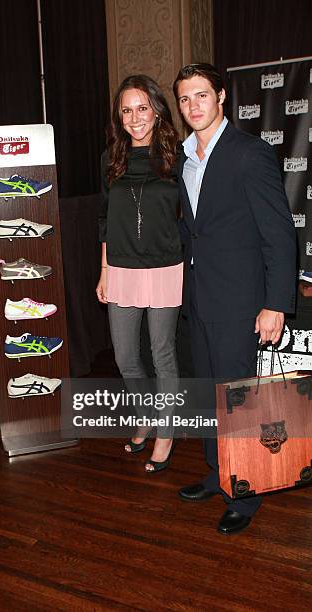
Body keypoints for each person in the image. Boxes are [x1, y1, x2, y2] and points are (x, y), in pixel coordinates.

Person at [173, 64, 296, 533]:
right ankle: (217, 472)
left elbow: (279, 235)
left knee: (238, 402)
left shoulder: (249, 154)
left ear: (221, 96)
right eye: (185, 99)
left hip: (241, 303)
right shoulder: (185, 159)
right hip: (201, 300)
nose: (193, 106)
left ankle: (244, 494)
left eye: (202, 95)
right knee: (208, 396)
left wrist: (276, 303)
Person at [96, 74, 183, 472]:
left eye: (142, 108)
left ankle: (165, 431)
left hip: (166, 267)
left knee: (163, 354)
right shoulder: (110, 159)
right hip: (122, 268)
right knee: (126, 357)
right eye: (127, 110)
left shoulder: (176, 156)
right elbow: (104, 220)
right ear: (120, 115)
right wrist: (103, 272)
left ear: (156, 110)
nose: (135, 118)